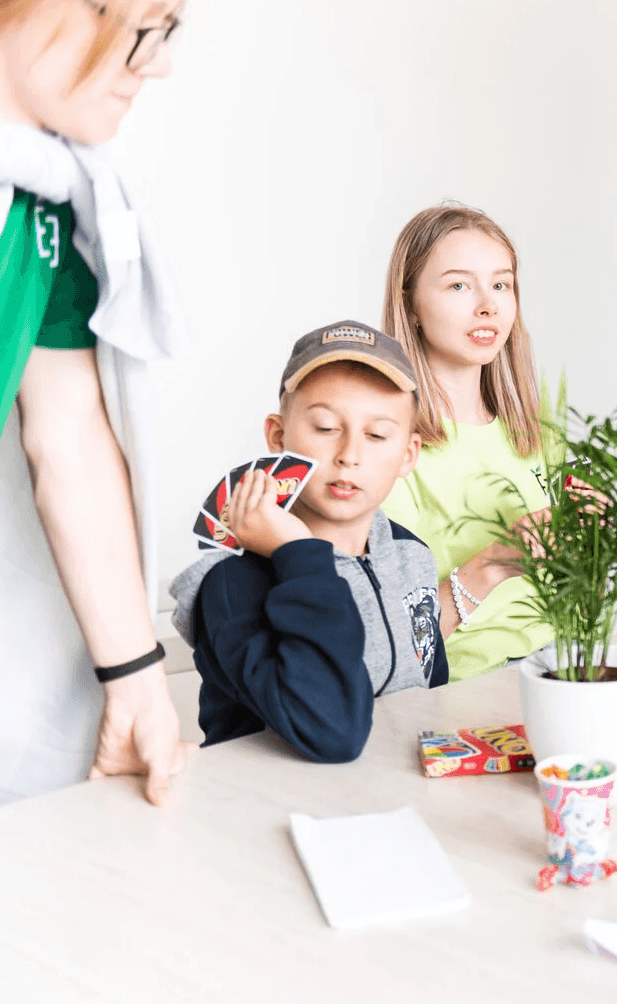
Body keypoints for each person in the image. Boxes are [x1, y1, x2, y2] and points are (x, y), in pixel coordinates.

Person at [0, 0, 195, 806]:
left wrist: (137, 678)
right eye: (141, 26)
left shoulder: (45, 202)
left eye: (168, 30)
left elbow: (68, 430)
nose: (159, 62)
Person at [169, 322, 447, 762]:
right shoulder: (231, 583)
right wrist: (298, 556)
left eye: (377, 434)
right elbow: (331, 732)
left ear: (408, 455)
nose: (350, 455)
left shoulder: (411, 555)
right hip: (274, 798)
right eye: (325, 427)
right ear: (278, 437)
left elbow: (430, 691)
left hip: (397, 789)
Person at [378, 202, 561, 682]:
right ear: (409, 303)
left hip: (559, 665)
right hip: (459, 687)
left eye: (501, 285)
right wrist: (496, 562)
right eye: (459, 285)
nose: (488, 305)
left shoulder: (535, 430)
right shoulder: (385, 449)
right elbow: (386, 644)